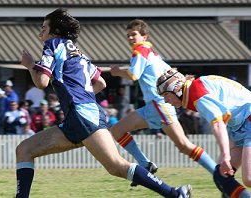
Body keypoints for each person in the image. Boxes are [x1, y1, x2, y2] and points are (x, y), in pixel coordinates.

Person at [17, 8, 192, 198]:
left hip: (81, 115)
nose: (40, 31)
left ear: (55, 30)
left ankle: (175, 194)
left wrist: (29, 65)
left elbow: (41, 82)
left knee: (116, 165)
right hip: (82, 115)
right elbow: (101, 83)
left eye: (44, 27)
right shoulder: (79, 54)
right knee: (24, 150)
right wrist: (81, 96)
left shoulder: (53, 44)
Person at [110, 19, 217, 187]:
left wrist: (116, 72)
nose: (130, 38)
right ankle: (145, 164)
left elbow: (133, 75)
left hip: (159, 104)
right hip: (154, 105)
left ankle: (218, 174)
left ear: (144, 36)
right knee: (117, 130)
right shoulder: (151, 53)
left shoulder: (140, 51)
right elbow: (170, 72)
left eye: (134, 35)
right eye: (128, 35)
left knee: (183, 145)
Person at [157, 68, 251, 198]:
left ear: (176, 88)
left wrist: (225, 155)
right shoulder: (195, 88)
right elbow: (225, 117)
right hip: (241, 124)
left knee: (248, 178)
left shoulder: (197, 94)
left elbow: (218, 123)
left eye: (165, 95)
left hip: (247, 121)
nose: (166, 101)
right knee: (222, 176)